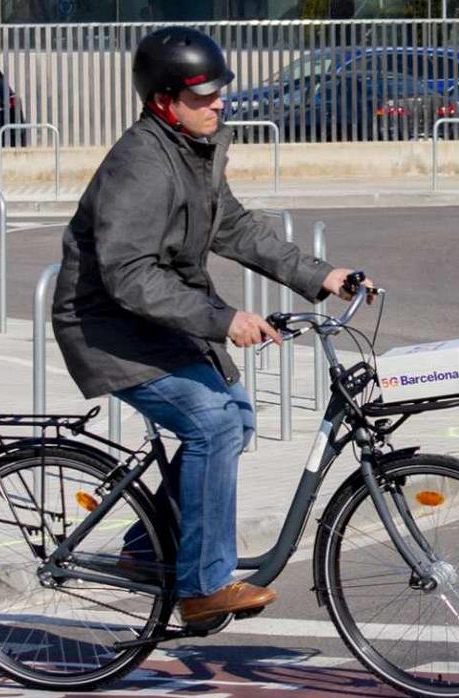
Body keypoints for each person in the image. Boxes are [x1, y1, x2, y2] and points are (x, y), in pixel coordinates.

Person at [52, 26, 370, 625]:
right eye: (203, 96)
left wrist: (324, 276)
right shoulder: (141, 164)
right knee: (213, 424)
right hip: (106, 326)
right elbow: (127, 275)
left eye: (220, 91)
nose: (219, 103)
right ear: (163, 101)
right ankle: (201, 588)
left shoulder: (194, 151)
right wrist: (224, 320)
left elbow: (237, 228)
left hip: (155, 319)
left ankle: (146, 550)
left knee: (237, 416)